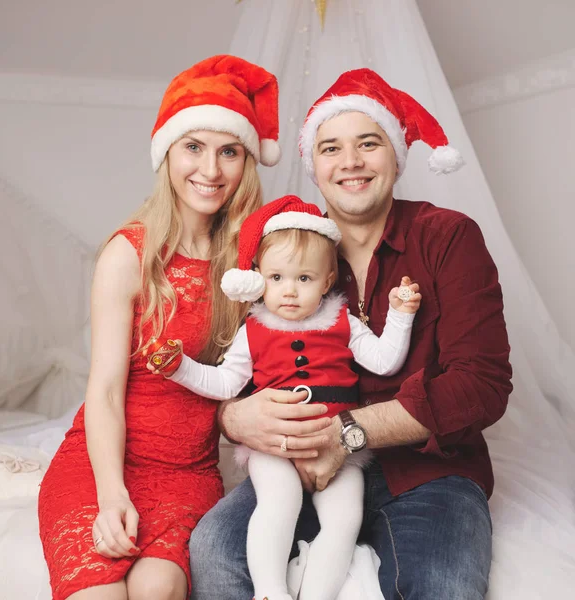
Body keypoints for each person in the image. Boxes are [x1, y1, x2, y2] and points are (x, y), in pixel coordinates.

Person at [189, 68, 512, 600]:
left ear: (396, 154)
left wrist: (347, 434)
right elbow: (236, 365)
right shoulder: (292, 250)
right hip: (299, 467)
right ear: (313, 167)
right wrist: (234, 416)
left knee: (441, 587)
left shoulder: (448, 237)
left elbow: (482, 385)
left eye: (369, 143)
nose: (351, 163)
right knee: (216, 554)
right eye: (331, 148)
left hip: (429, 472)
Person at [36, 55, 323, 600]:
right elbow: (104, 391)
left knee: (159, 590)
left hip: (187, 475)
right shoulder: (130, 254)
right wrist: (112, 493)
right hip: (103, 464)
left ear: (246, 162)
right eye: (194, 147)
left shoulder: (254, 263)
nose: (210, 171)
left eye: (229, 151)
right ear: (167, 153)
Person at [146, 195, 421, 600]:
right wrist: (180, 367)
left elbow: (385, 362)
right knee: (279, 502)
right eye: (276, 278)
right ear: (259, 276)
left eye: (304, 279)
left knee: (346, 519)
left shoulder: (342, 323)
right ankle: (270, 592)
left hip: (337, 448)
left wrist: (400, 315)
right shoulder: (253, 330)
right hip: (275, 447)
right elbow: (225, 384)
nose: (289, 291)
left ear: (328, 281)